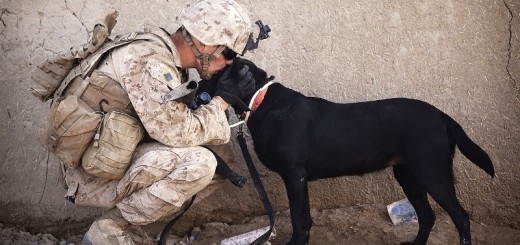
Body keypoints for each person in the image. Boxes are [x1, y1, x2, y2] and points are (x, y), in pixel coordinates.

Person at [57, 0, 262, 244]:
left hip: (110, 154)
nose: (229, 62)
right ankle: (109, 232)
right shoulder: (149, 62)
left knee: (221, 159)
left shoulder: (163, 55)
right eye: (228, 53)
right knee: (203, 162)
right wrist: (221, 102)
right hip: (90, 174)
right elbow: (177, 132)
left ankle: (124, 226)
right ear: (204, 43)